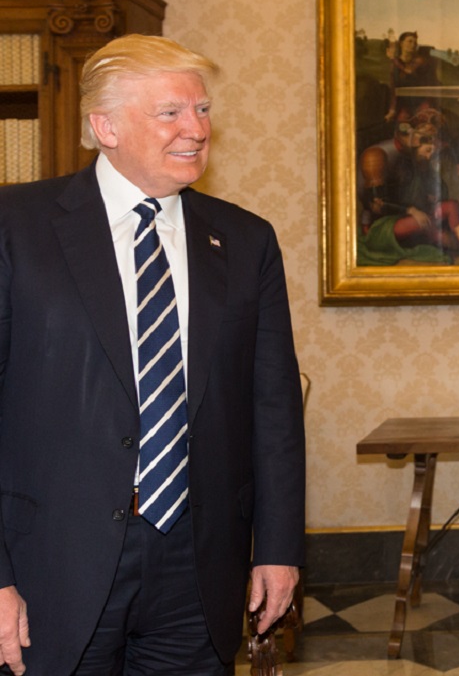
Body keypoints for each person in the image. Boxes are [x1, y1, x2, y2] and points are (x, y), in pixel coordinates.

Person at [0, 34, 305, 675]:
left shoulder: (246, 241)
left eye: (202, 110)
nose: (196, 129)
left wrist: (278, 548)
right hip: (49, 564)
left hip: (198, 566)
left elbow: (272, 409)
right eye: (171, 112)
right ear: (103, 126)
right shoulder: (16, 228)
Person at [357, 104, 459, 265]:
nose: (430, 155)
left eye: (432, 151)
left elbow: (439, 193)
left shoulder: (418, 162)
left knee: (451, 205)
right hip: (383, 226)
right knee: (428, 224)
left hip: (415, 216)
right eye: (427, 150)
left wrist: (431, 194)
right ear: (415, 141)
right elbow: (378, 205)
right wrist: (410, 209)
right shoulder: (377, 156)